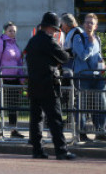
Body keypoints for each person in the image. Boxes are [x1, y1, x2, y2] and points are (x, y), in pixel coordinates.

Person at [24, 12, 76, 160]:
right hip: (48, 85)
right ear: (50, 28)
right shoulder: (49, 41)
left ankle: (37, 150)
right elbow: (64, 57)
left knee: (36, 119)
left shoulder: (32, 41)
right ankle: (61, 150)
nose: (54, 32)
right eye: (54, 29)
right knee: (55, 119)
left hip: (33, 84)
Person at [72, 13, 106, 141]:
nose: (89, 25)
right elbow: (83, 56)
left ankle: (100, 131)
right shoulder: (78, 38)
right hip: (82, 76)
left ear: (96, 26)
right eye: (87, 22)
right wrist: (90, 44)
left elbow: (98, 55)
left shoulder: (97, 39)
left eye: (91, 23)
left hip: (97, 76)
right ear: (83, 24)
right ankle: (81, 133)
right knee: (82, 105)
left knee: (101, 104)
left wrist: (102, 64)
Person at [0, 21, 26, 138]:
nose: (12, 33)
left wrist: (21, 78)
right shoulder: (2, 43)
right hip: (3, 79)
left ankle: (13, 130)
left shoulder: (15, 44)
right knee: (1, 105)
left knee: (14, 105)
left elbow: (19, 62)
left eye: (14, 31)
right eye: (10, 31)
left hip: (15, 79)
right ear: (5, 31)